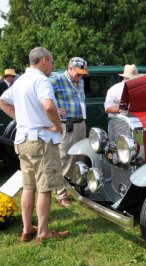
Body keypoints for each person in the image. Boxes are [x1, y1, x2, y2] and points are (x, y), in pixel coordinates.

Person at [0, 47, 69, 242]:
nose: (53, 66)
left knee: (29, 186)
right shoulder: (41, 80)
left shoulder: (20, 80)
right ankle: (43, 232)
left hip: (22, 141)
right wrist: (57, 126)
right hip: (40, 141)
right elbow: (48, 105)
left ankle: (27, 228)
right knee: (45, 188)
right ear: (45, 60)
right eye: (52, 61)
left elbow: (2, 101)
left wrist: (22, 119)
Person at [50, 57, 89, 207]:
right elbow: (39, 96)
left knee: (80, 157)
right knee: (65, 159)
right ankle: (61, 194)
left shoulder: (80, 80)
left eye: (83, 73)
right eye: (78, 73)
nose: (81, 76)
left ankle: (74, 188)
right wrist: (53, 109)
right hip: (68, 125)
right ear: (70, 68)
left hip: (80, 123)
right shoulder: (57, 79)